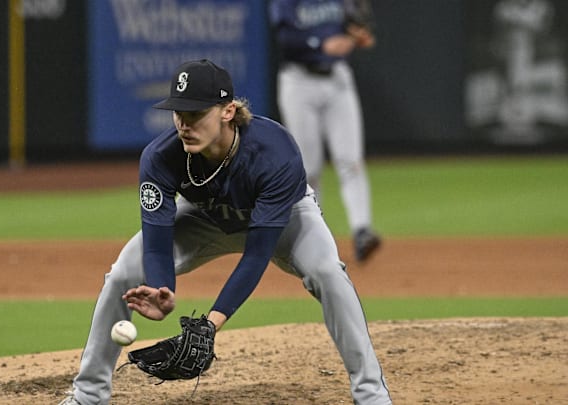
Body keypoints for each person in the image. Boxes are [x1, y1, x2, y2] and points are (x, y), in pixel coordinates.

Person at [60, 59, 392, 405]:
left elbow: (257, 254)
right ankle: (88, 394)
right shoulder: (159, 157)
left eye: (195, 114)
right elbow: (156, 243)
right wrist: (162, 288)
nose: (184, 125)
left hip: (284, 218)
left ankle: (371, 394)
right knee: (122, 274)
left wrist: (210, 324)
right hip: (205, 218)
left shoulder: (274, 152)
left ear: (227, 111)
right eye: (178, 113)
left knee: (328, 272)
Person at [269, 0, 382, 262]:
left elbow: (354, 20)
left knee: (350, 160)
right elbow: (285, 38)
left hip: (337, 78)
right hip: (299, 82)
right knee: (309, 168)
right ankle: (312, 238)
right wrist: (319, 45)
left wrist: (357, 34)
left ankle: (362, 230)